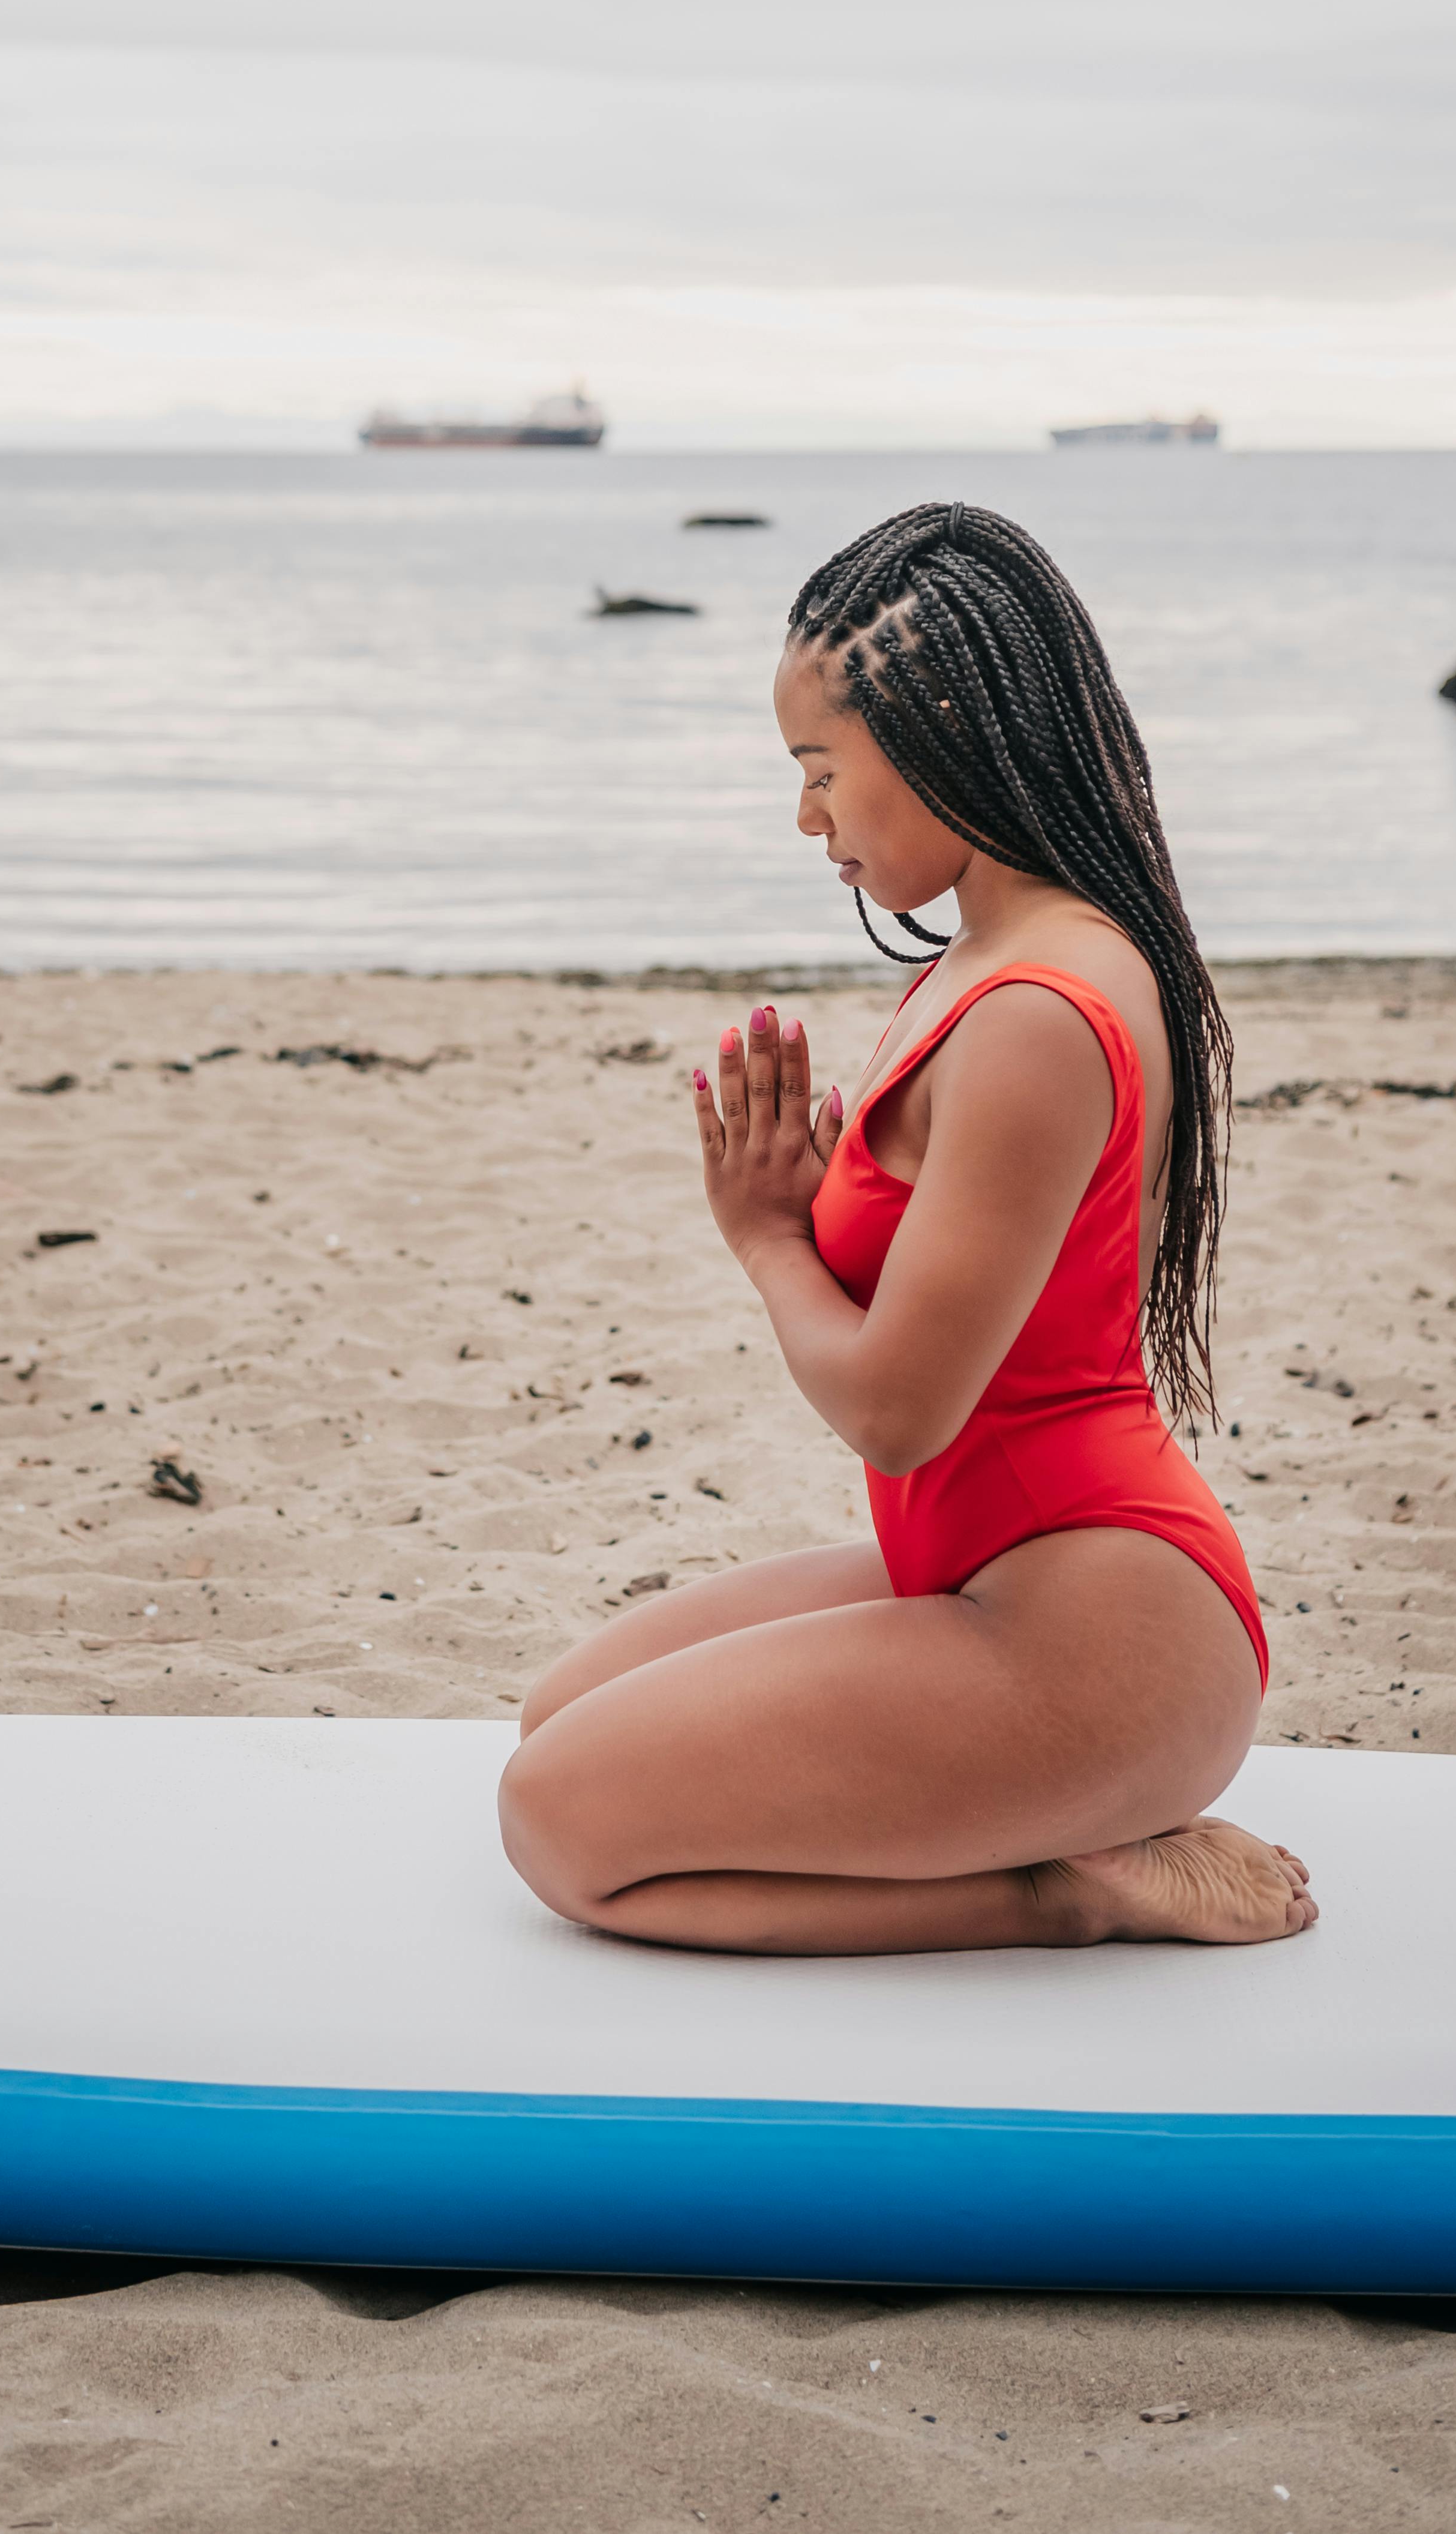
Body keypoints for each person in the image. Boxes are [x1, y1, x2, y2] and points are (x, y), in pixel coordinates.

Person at [500, 500, 1314, 1954]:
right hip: (977, 1567)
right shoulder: (987, 955)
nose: (805, 814)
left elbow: (898, 1410)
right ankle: (1054, 1830)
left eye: (821, 770)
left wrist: (767, 1239)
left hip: (1101, 1628)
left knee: (560, 1826)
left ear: (939, 730)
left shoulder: (1036, 1013)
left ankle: (1064, 1883)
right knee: (559, 1717)